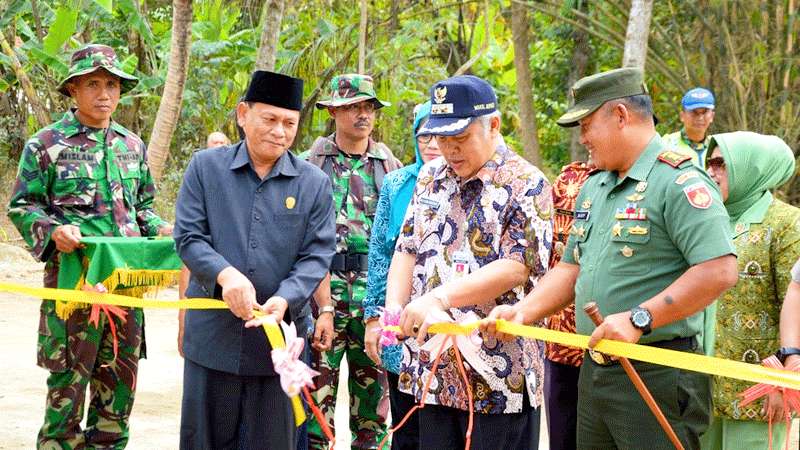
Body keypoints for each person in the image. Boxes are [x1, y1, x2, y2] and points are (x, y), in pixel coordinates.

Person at [481, 67, 739, 450]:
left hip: (655, 371)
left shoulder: (679, 182)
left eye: (586, 126)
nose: (583, 139)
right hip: (597, 368)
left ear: (620, 116)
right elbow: (571, 268)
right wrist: (523, 312)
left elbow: (719, 269)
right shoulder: (595, 186)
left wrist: (640, 319)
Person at [7, 43, 172, 449]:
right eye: (93, 84)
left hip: (124, 289)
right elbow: (22, 206)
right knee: (67, 387)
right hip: (74, 287)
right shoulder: (46, 144)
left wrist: (163, 228)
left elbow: (143, 208)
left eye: (112, 85)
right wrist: (53, 232)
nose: (105, 94)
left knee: (118, 389)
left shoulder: (132, 145)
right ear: (73, 90)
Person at [173, 70, 336, 449]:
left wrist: (287, 297)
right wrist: (225, 275)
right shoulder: (205, 168)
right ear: (243, 113)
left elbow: (317, 253)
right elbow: (189, 237)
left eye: (290, 123)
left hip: (277, 349)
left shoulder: (313, 183)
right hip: (213, 342)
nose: (280, 131)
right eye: (270, 119)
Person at [391, 75, 552, 449]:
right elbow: (407, 248)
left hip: (498, 379)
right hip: (432, 373)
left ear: (492, 125)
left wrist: (439, 299)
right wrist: (396, 310)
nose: (449, 150)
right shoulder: (430, 176)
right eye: (441, 139)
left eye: (460, 139)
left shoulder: (526, 183)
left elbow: (518, 265)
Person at [302, 73, 401, 449]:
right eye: (353, 107)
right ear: (333, 112)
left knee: (374, 411)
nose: (363, 115)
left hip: (372, 300)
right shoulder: (312, 163)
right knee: (315, 406)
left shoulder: (388, 164)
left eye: (368, 107)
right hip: (321, 296)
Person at [699, 132, 799, 450]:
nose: (711, 172)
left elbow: (795, 302)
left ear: (750, 168)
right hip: (703, 388)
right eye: (708, 163)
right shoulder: (707, 219)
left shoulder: (786, 222)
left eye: (720, 163)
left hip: (758, 394)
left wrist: (784, 382)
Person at [363, 101, 441, 450]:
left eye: (439, 134)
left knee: (443, 424)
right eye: (424, 135)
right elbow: (381, 253)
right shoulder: (396, 184)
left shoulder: (471, 183)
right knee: (405, 422)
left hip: (446, 326)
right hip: (400, 321)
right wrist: (374, 317)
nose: (432, 143)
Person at [544, 161, 596, 450]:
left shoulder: (654, 178)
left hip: (616, 339)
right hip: (561, 336)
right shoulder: (568, 178)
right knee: (563, 432)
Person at [663, 87, 716, 167]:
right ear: (682, 116)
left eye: (705, 112)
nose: (700, 118)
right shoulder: (667, 144)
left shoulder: (717, 146)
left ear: (712, 116)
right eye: (694, 112)